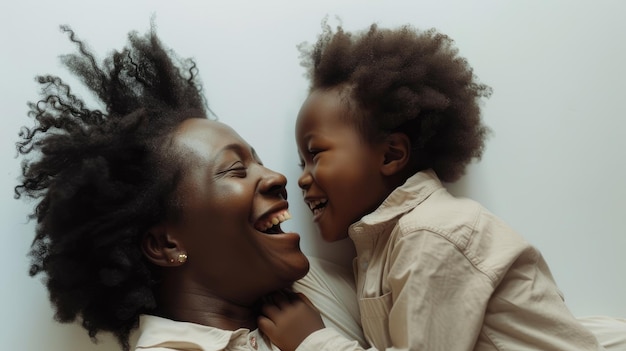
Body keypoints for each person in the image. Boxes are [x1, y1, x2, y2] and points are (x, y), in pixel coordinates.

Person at [258, 22, 625, 351]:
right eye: (300, 163)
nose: (302, 178)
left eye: (315, 153)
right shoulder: (381, 251)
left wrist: (313, 341)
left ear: (391, 154)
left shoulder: (432, 234)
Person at [15, 24, 366, 351]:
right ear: (167, 244)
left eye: (259, 161)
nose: (277, 177)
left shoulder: (331, 283)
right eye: (236, 170)